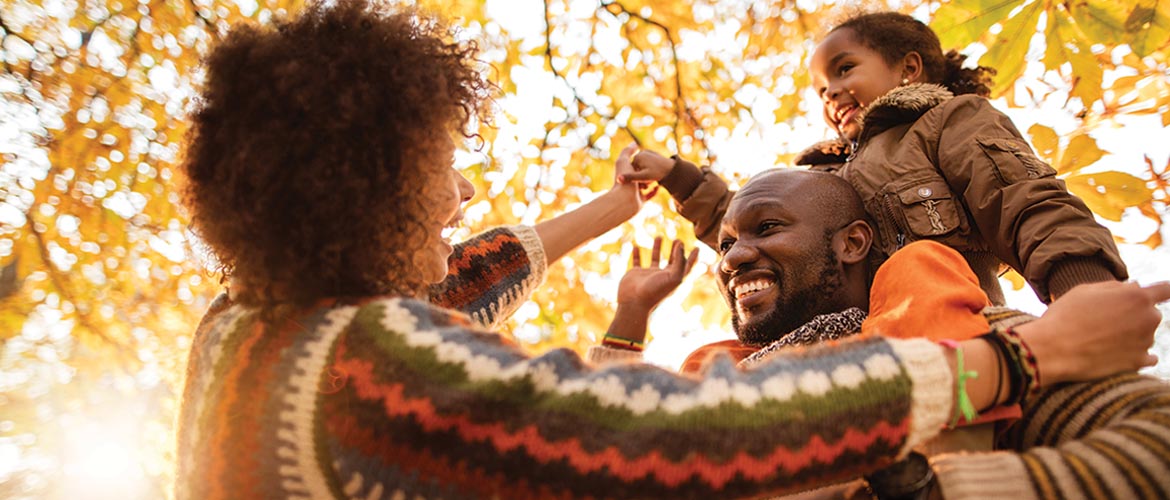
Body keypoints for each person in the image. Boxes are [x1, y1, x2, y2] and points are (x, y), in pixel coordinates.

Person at [174, 2, 1166, 499]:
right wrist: (1024, 356)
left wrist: (615, 205)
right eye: (441, 171)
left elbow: (461, 274)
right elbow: (647, 429)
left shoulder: (246, 324)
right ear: (363, 197)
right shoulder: (370, 369)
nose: (464, 194)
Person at [594, 169, 1170, 498]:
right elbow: (600, 450)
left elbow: (1155, 441)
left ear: (852, 244)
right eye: (725, 245)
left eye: (766, 228)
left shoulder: (963, 327)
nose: (734, 258)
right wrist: (630, 316)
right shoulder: (711, 366)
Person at [618, 11, 1127, 306]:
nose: (831, 93)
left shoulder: (945, 122)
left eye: (844, 70)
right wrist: (674, 175)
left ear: (908, 69)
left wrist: (1085, 295)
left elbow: (1020, 199)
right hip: (835, 350)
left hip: (950, 336)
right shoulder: (821, 175)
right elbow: (747, 225)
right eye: (820, 88)